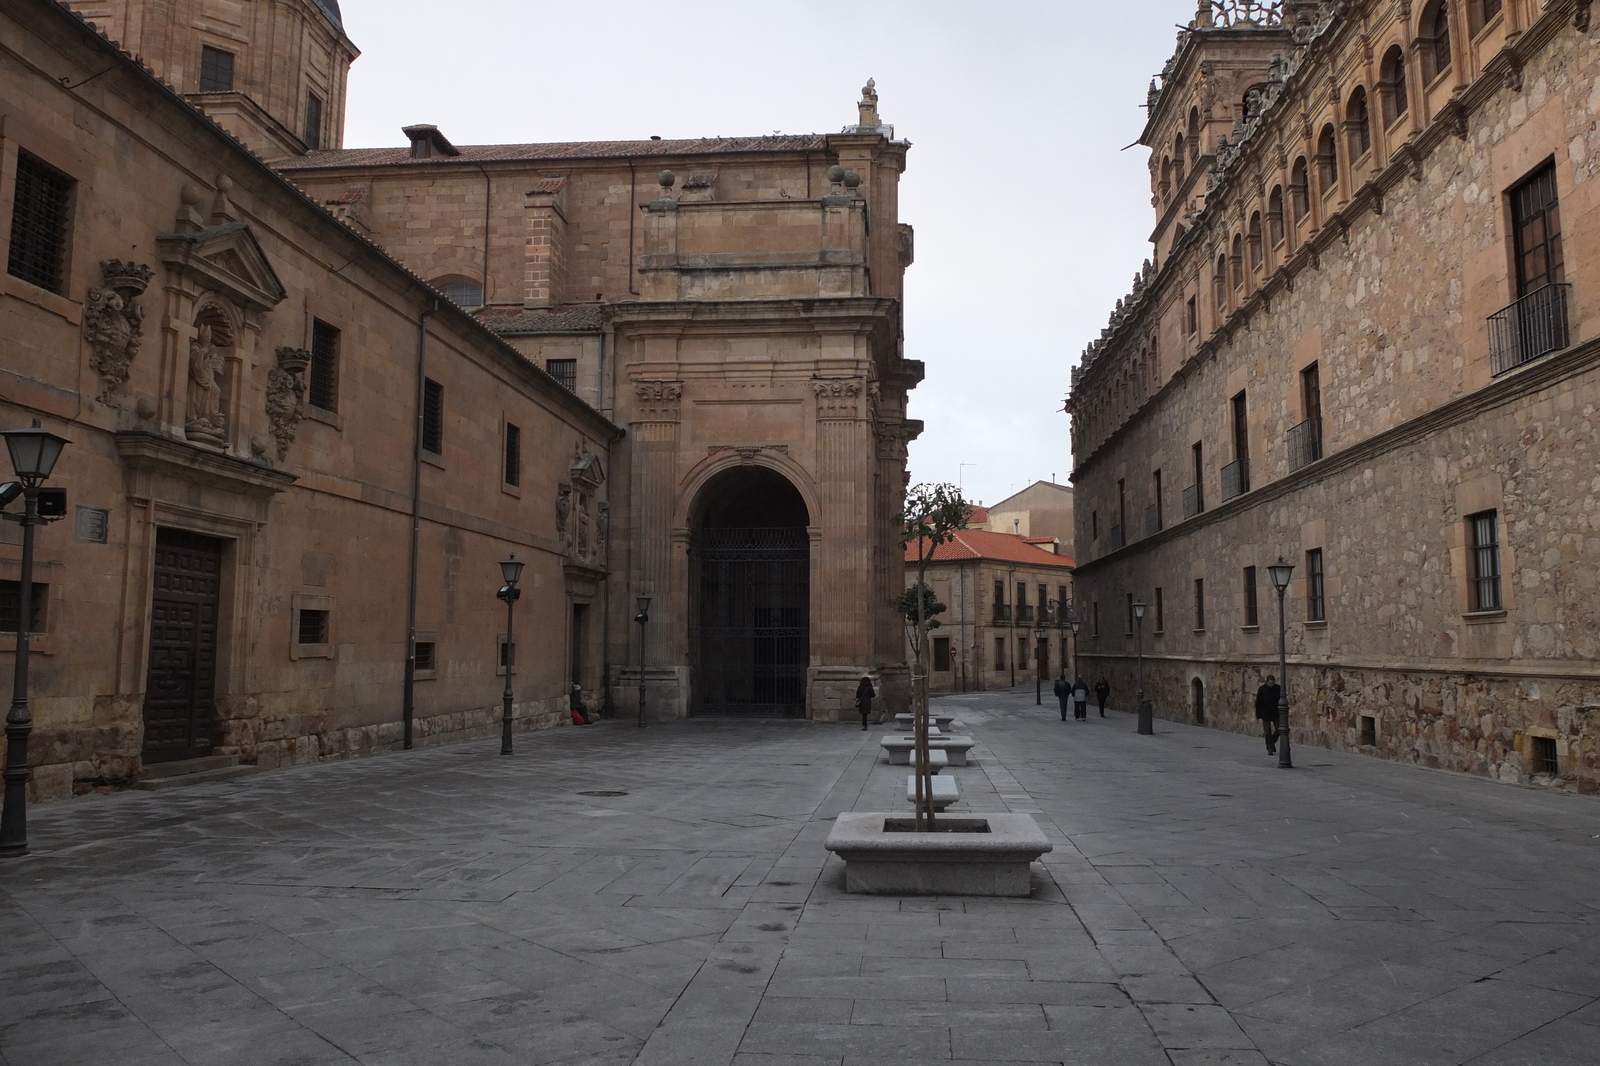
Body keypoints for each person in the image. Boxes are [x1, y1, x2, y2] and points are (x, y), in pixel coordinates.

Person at [1256, 675, 1282, 754]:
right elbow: (1258, 703)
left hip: (1275, 712)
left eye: (1272, 683)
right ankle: (1269, 748)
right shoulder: (1262, 689)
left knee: (1279, 729)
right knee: (1267, 731)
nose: (1271, 685)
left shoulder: (1278, 688)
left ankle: (1272, 742)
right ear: (1266, 682)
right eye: (1270, 683)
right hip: (1265, 713)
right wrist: (1258, 714)